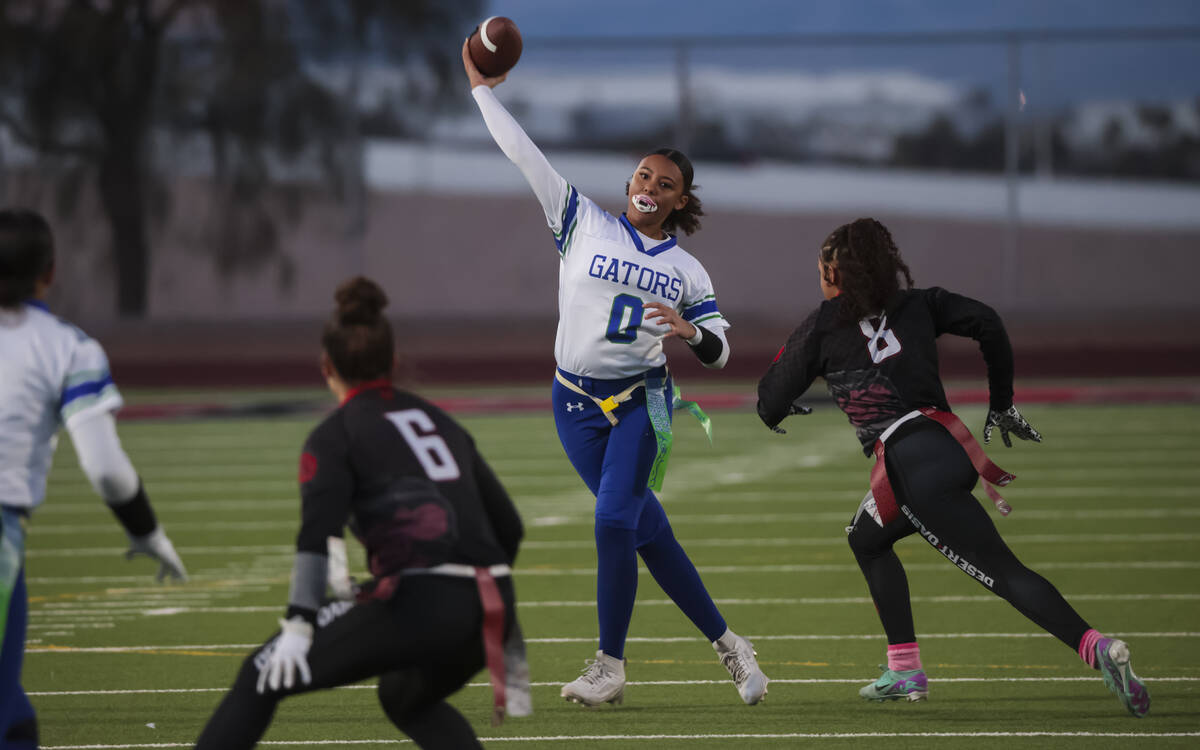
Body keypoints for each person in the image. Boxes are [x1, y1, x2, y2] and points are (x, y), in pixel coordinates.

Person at [463, 41, 767, 708]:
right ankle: (729, 644)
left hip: (642, 405)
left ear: (681, 200)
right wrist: (483, 90)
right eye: (643, 175)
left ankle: (609, 665)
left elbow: (719, 345)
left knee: (611, 523)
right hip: (571, 404)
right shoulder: (579, 221)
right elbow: (524, 155)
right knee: (647, 534)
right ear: (628, 181)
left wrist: (691, 332)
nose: (649, 187)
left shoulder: (688, 270)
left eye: (665, 183)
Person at [756, 217, 1150, 717]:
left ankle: (1097, 647)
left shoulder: (822, 325)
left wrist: (790, 397)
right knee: (866, 538)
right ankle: (904, 671)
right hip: (945, 447)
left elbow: (769, 399)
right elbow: (988, 322)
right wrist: (1001, 402)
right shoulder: (919, 303)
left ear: (832, 272)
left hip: (913, 468)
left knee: (1003, 572)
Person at [195, 276, 527, 750]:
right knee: (403, 697)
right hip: (496, 602)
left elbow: (316, 535)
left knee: (258, 676)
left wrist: (298, 622)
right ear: (392, 362)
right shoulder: (441, 421)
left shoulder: (335, 436)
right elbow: (509, 528)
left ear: (326, 366)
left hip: (424, 602)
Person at [0, 208, 188, 749]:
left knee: (14, 721)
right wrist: (146, 532)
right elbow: (105, 468)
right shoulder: (65, 347)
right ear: (49, 272)